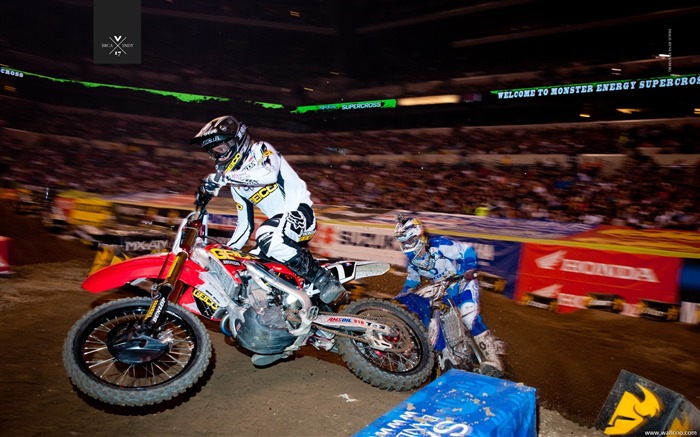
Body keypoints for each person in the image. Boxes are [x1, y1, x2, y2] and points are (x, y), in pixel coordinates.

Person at [190, 115, 345, 338]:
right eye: (215, 151)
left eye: (222, 147)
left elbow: (269, 174)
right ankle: (285, 323)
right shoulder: (236, 184)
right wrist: (225, 253)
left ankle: (322, 278)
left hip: (300, 214)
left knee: (267, 235)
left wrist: (223, 178)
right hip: (278, 227)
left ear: (237, 140)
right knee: (249, 270)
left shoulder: (261, 149)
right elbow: (244, 225)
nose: (219, 154)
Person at [393, 215, 505, 377]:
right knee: (436, 318)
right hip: (444, 290)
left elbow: (467, 250)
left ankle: (494, 361)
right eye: (404, 243)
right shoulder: (412, 263)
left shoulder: (439, 245)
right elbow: (412, 282)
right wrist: (401, 296)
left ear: (419, 236)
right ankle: (450, 359)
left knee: (468, 315)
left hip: (463, 283)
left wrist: (468, 268)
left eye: (409, 242)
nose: (406, 246)